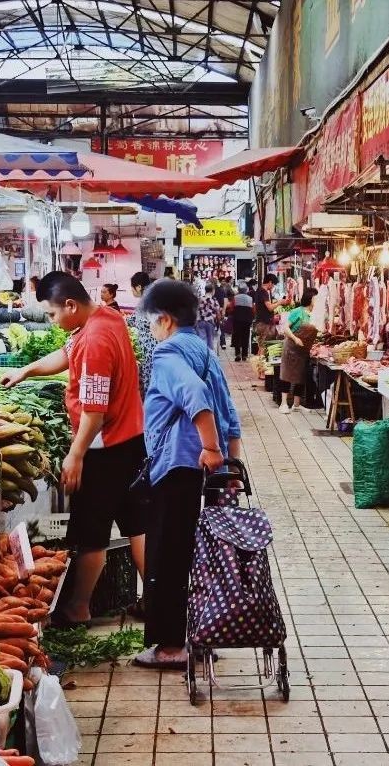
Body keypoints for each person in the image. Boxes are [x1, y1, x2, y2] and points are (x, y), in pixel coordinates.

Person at [0, 272, 146, 627]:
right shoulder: (105, 317)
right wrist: (27, 371)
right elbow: (67, 354)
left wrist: (75, 454)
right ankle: (158, 600)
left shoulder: (96, 340)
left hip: (103, 446)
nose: (52, 321)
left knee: (91, 533)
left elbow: (95, 412)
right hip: (129, 439)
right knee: (137, 523)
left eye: (52, 315)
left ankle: (78, 608)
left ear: (70, 305)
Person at [130, 279, 242, 669]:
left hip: (178, 466)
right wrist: (228, 465)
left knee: (167, 556)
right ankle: (201, 631)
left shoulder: (168, 355)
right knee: (198, 554)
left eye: (150, 323)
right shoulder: (204, 352)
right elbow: (230, 414)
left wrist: (210, 447)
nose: (150, 331)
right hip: (204, 472)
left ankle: (171, 647)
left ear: (164, 320)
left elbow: (194, 395)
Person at [279, 288, 319, 413]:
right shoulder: (298, 312)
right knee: (287, 374)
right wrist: (295, 338)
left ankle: (296, 404)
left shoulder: (316, 314)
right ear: (310, 299)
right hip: (291, 346)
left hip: (304, 349)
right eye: (316, 298)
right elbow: (285, 328)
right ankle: (283, 403)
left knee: (301, 376)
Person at [127, 271, 157, 397]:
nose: (132, 291)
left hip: (150, 349)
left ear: (138, 287)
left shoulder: (147, 301)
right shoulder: (151, 298)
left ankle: (151, 412)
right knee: (149, 384)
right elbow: (134, 320)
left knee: (150, 385)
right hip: (150, 348)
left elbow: (135, 320)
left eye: (132, 288)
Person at [253, 273, 281, 353]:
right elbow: (270, 307)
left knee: (261, 346)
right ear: (270, 282)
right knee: (263, 347)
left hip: (261, 322)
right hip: (264, 324)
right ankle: (260, 364)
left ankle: (259, 364)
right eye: (273, 284)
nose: (273, 287)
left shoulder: (259, 290)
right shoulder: (263, 292)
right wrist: (280, 302)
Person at [230, 284, 254, 362]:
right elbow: (253, 310)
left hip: (237, 320)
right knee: (245, 337)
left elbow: (231, 308)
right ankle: (245, 355)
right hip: (247, 321)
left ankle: (238, 354)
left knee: (237, 336)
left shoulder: (235, 298)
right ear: (246, 290)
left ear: (239, 290)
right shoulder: (250, 299)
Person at [195, 284, 220, 351]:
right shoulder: (214, 300)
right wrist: (219, 321)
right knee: (210, 340)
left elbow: (196, 310)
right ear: (212, 291)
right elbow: (217, 311)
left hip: (201, 321)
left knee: (202, 339)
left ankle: (202, 355)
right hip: (210, 322)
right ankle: (209, 357)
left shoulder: (200, 299)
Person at [214, 277, 234, 349]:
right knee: (221, 327)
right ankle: (222, 343)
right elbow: (225, 300)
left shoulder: (217, 290)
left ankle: (217, 344)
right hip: (220, 310)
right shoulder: (222, 290)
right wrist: (224, 310)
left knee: (217, 327)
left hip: (213, 312)